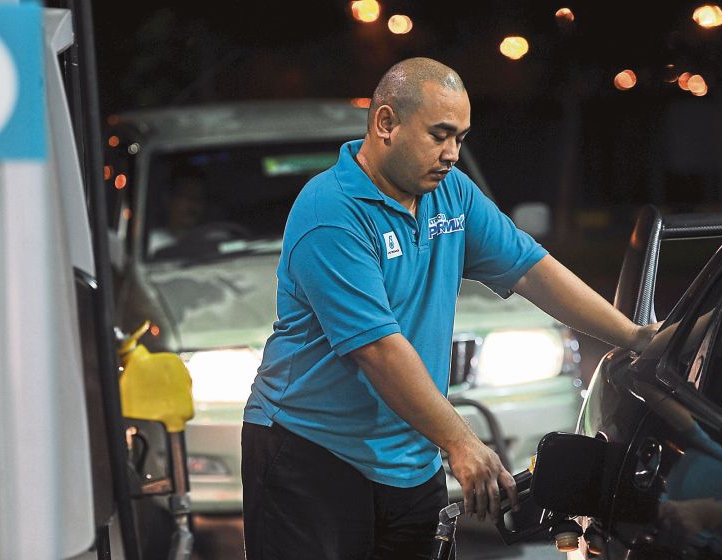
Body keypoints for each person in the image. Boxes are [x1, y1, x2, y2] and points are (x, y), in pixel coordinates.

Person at [241, 57, 659, 560]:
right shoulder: (331, 212)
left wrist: (631, 335)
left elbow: (531, 269)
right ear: (386, 123)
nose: (452, 154)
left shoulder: (451, 196)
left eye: (460, 138)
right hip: (310, 451)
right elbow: (379, 350)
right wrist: (460, 442)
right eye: (439, 135)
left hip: (410, 453)